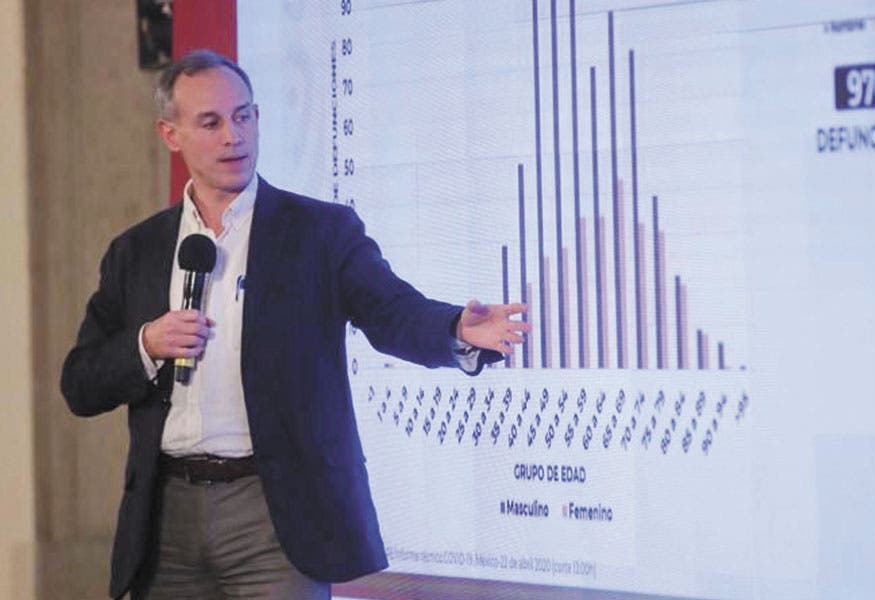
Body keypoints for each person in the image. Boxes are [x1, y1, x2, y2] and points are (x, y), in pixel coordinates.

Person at [59, 49, 529, 600]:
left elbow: (391, 311)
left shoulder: (318, 232)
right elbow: (81, 383)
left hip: (274, 511)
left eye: (243, 116)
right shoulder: (136, 251)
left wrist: (455, 330)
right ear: (171, 134)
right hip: (166, 516)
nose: (233, 135)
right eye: (211, 123)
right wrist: (146, 344)